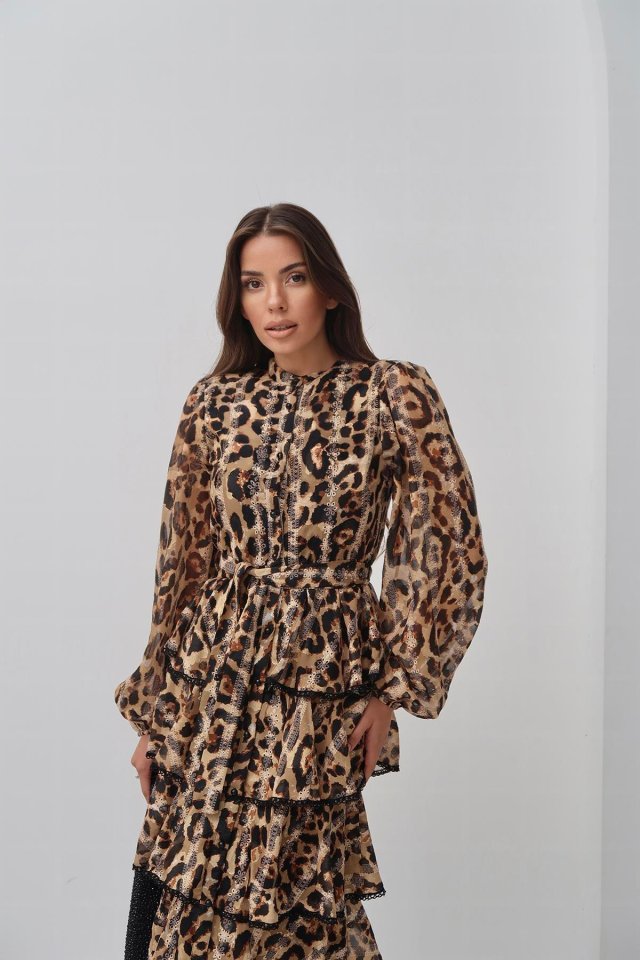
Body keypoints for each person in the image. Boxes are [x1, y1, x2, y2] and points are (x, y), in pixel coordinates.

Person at [114, 202, 489, 960]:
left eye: (294, 277)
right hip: (212, 683)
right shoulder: (213, 404)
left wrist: (393, 688)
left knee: (301, 887)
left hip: (321, 681)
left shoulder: (390, 394)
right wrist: (158, 712)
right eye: (254, 284)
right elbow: (183, 567)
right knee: (186, 873)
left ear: (331, 289)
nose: (275, 303)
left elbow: (445, 546)